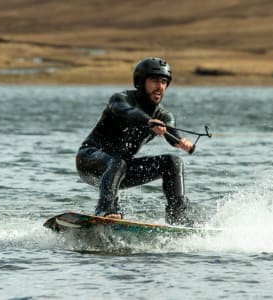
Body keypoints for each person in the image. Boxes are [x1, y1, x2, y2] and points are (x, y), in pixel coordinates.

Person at [75, 57, 195, 226]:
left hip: (119, 171)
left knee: (173, 162)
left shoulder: (163, 116)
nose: (160, 86)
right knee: (119, 162)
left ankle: (178, 216)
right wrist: (148, 121)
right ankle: (106, 209)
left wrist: (181, 141)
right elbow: (127, 111)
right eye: (154, 81)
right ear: (140, 82)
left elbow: (171, 131)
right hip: (89, 160)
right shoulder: (121, 99)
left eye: (163, 82)